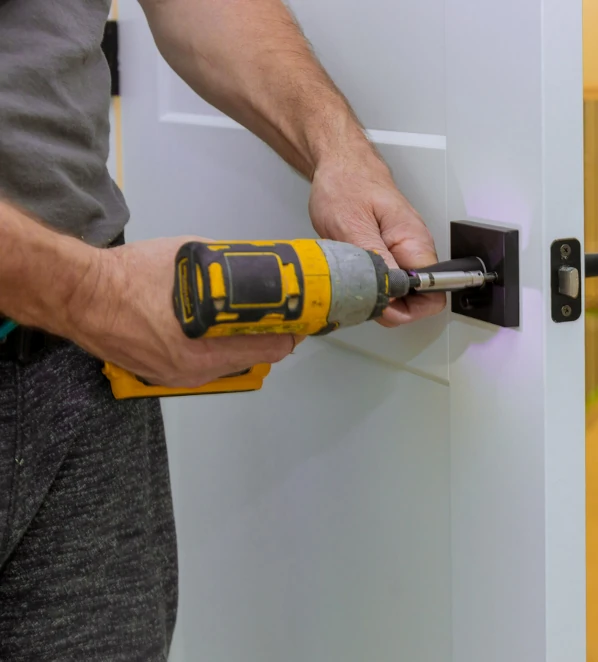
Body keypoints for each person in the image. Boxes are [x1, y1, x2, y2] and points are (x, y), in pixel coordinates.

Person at [0, 0, 445, 658]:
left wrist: (339, 152)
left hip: (80, 361)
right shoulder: (102, 299)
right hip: (89, 300)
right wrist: (96, 294)